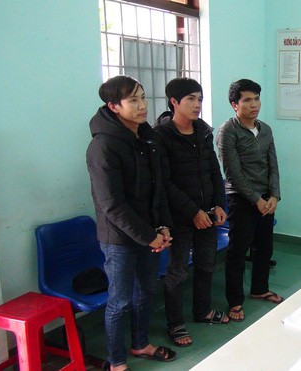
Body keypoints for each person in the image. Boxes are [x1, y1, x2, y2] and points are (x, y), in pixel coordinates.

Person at [86, 75, 177, 371]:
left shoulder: (146, 137)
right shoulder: (103, 146)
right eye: (133, 100)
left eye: (143, 98)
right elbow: (111, 204)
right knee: (120, 301)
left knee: (145, 292)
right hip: (120, 239)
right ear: (114, 106)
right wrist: (147, 236)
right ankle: (116, 362)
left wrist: (162, 227)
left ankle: (140, 344)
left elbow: (158, 186)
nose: (142, 106)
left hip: (149, 233)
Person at [154, 77, 229, 348]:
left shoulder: (203, 132)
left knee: (206, 263)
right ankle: (174, 322)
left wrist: (218, 203)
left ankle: (202, 310)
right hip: (179, 218)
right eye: (191, 99)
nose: (197, 105)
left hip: (207, 214)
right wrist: (193, 211)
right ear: (174, 102)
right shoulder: (160, 137)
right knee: (176, 273)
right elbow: (164, 183)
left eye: (200, 99)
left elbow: (213, 171)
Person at [216, 78, 283, 322]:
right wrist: (256, 199)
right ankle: (234, 302)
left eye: (256, 99)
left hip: (266, 198)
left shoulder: (265, 129)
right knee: (237, 252)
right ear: (235, 104)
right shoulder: (228, 131)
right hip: (240, 199)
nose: (254, 104)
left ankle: (259, 289)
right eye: (247, 100)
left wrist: (274, 195)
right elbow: (232, 172)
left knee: (264, 247)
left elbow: (273, 165)